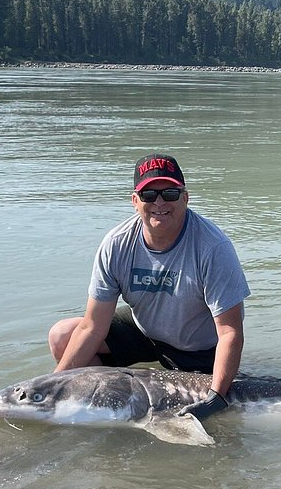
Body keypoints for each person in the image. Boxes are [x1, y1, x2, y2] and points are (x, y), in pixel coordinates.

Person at [48, 153, 250, 420]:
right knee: (63, 335)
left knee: (208, 419)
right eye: (148, 195)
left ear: (185, 198)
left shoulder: (213, 248)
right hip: (147, 335)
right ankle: (105, 409)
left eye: (169, 193)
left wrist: (216, 398)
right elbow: (92, 326)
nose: (159, 203)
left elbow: (230, 333)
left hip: (197, 352)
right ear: (135, 201)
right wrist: (54, 387)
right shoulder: (117, 244)